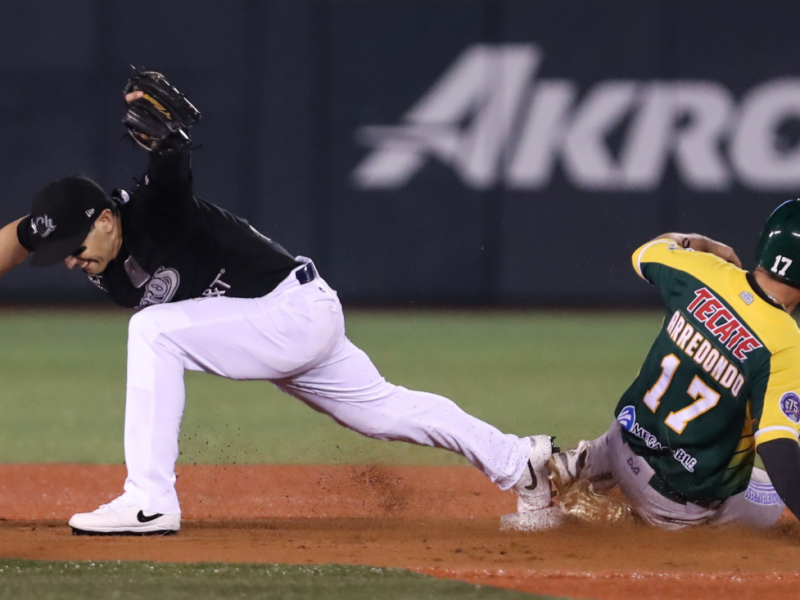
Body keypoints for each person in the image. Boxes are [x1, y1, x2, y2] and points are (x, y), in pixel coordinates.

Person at [0, 73, 557, 535]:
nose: (69, 261)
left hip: (289, 312)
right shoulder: (85, 230)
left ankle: (149, 501)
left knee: (153, 331)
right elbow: (21, 238)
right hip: (288, 317)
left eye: (73, 248)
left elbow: (170, 165)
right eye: (59, 254)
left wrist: (169, 140)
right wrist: (36, 240)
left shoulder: (154, 209)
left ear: (103, 219)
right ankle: (521, 462)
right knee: (384, 410)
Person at [548, 203, 800, 529]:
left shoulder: (702, 270)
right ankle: (629, 521)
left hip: (622, 440)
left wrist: (704, 244)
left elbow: (647, 252)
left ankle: (590, 460)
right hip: (674, 500)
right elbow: (778, 448)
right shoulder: (785, 344)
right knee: (771, 495)